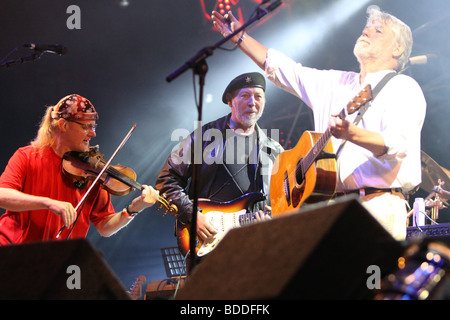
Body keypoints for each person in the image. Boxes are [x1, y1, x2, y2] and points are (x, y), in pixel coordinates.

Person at [211, 6, 426, 240]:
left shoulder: (403, 87)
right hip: (327, 208)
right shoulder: (336, 83)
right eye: (366, 28)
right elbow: (283, 69)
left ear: (398, 48)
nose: (366, 31)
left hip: (376, 206)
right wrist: (239, 38)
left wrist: (351, 134)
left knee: (371, 277)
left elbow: (397, 145)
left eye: (378, 31)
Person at [155, 72, 283, 269]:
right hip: (209, 247)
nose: (252, 102)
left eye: (258, 96)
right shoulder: (203, 137)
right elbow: (166, 180)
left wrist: (274, 215)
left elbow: (283, 199)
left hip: (256, 249)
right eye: (245, 95)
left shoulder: (274, 150)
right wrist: (192, 215)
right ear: (230, 101)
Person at [0, 94, 159, 245]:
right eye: (86, 127)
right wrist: (47, 203)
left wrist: (133, 210)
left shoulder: (93, 172)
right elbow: (3, 195)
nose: (93, 133)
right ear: (63, 125)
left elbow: (105, 226)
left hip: (55, 262)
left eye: (94, 127)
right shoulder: (27, 156)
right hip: (12, 251)